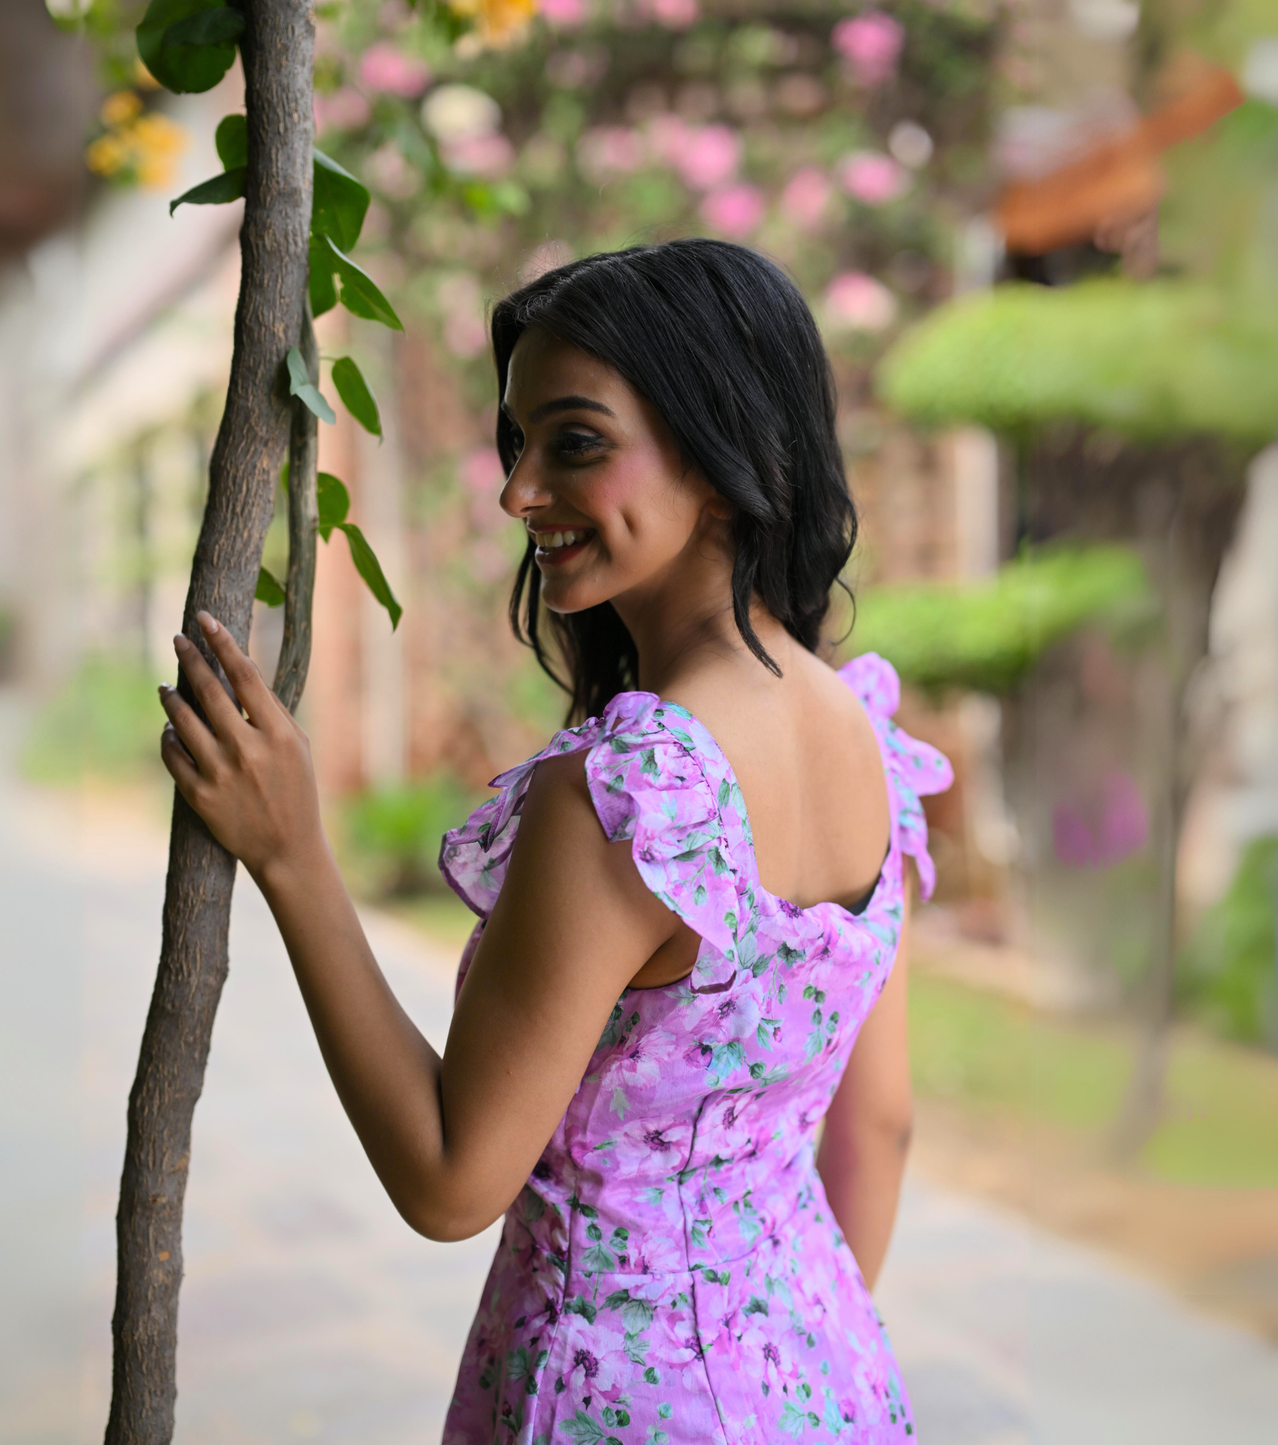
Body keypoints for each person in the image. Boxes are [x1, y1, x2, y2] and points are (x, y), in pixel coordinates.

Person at [158, 239, 951, 1444]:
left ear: (723, 449)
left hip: (608, 1408)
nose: (518, 491)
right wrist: (771, 1364)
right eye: (514, 443)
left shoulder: (637, 793)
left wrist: (291, 855)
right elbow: (876, 1120)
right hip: (824, 1380)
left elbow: (448, 1176)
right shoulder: (863, 737)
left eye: (572, 442)